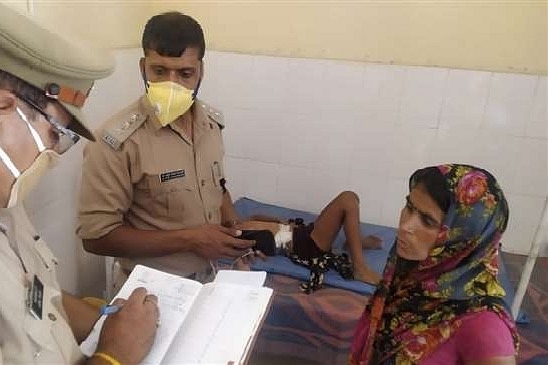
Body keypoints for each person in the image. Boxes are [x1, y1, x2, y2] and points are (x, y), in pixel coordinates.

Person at [0, 5, 159, 364]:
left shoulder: (8, 205)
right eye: (56, 133)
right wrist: (114, 354)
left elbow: (33, 298)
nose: (55, 154)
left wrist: (104, 322)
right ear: (4, 107)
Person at [77, 11, 253, 285]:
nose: (172, 85)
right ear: (142, 68)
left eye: (184, 73)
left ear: (200, 72)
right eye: (159, 71)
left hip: (209, 276)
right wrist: (192, 240)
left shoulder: (211, 125)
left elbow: (217, 187)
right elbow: (96, 238)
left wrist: (235, 236)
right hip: (148, 288)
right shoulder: (114, 142)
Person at [349, 164, 519, 365]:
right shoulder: (409, 277)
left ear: (462, 238)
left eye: (428, 221)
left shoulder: (483, 327)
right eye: (409, 207)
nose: (405, 227)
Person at [233, 191, 383, 290]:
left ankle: (353, 242)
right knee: (347, 199)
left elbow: (257, 217)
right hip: (304, 245)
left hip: (302, 232)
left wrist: (281, 222)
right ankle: (360, 268)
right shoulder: (240, 235)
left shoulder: (245, 222)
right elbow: (265, 246)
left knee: (352, 197)